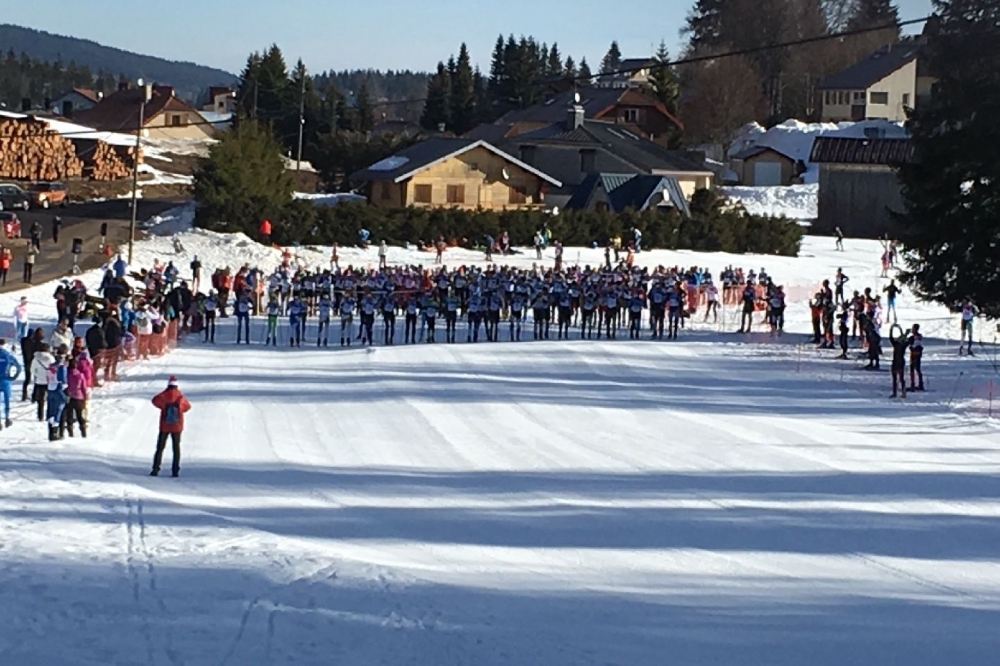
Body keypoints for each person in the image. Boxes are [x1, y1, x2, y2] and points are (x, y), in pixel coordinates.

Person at [150, 375, 191, 478]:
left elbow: (154, 400)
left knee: (160, 448)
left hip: (164, 425)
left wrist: (163, 407)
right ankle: (175, 470)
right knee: (176, 448)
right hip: (177, 426)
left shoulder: (164, 395)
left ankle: (155, 469)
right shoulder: (180, 396)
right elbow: (187, 406)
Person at [45, 347, 68, 441]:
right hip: (58, 389)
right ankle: (55, 432)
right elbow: (63, 380)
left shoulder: (50, 366)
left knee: (51, 410)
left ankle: (50, 432)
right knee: (59, 410)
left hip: (50, 388)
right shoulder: (61, 367)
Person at [0, 339, 22, 429]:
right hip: (6, 380)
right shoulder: (8, 355)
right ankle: (7, 418)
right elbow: (19, 368)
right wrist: (13, 377)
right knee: (7, 400)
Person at [64, 357, 88, 437]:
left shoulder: (67, 375)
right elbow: (83, 387)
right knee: (80, 415)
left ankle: (70, 432)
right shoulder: (80, 375)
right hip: (79, 396)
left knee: (69, 415)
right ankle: (83, 432)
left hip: (69, 396)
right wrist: (85, 397)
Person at [889, 324, 908, 398]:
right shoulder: (903, 345)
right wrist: (905, 333)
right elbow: (907, 340)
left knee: (895, 378)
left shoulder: (896, 344)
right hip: (900, 362)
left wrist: (891, 329)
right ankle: (903, 392)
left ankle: (895, 393)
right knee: (901, 378)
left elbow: (890, 337)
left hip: (896, 362)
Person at [909, 323, 925, 392]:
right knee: (917, 369)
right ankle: (919, 383)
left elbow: (912, 344)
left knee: (914, 369)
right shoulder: (919, 337)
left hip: (915, 354)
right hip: (917, 354)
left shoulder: (914, 337)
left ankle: (914, 384)